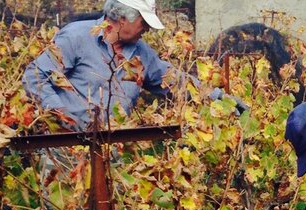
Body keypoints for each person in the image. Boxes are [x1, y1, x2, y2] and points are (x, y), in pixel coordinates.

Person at [22, 0, 189, 132]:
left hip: (113, 152)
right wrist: (61, 114)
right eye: (143, 22)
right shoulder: (77, 37)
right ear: (123, 18)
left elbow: (172, 80)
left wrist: (204, 92)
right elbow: (35, 76)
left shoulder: (142, 52)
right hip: (65, 151)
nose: (147, 29)